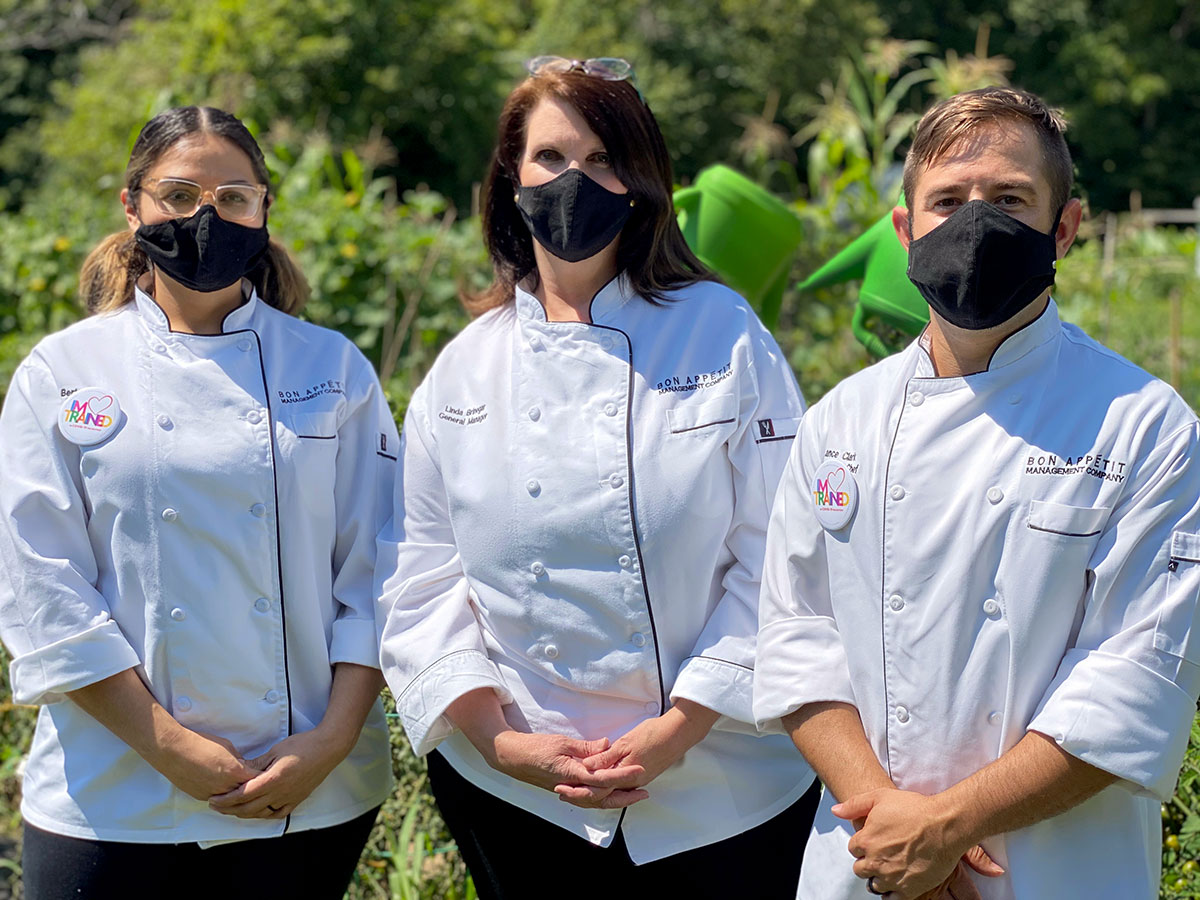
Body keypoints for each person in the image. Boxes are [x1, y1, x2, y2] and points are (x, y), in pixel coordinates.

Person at [375, 56, 818, 899]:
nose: (573, 182)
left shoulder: (721, 333)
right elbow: (420, 578)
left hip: (719, 788)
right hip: (516, 793)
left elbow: (783, 553)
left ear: (641, 184)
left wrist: (679, 729)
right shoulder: (464, 372)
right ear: (510, 181)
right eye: (549, 158)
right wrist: (500, 743)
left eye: (602, 160)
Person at [753, 85, 1200, 900]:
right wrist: (901, 830)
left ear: (1063, 227)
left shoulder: (1145, 426)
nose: (974, 222)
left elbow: (1133, 680)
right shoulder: (841, 421)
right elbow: (797, 641)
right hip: (871, 860)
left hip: (1055, 871)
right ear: (905, 229)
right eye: (948, 200)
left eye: (1009, 199)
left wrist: (949, 826)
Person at [0, 106, 397, 900]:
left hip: (307, 790)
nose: (204, 218)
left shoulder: (333, 368)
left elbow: (386, 567)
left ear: (263, 210)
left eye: (233, 198)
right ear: (133, 206)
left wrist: (332, 740)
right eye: (178, 196)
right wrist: (170, 747)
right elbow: (42, 588)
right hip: (112, 792)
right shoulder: (65, 370)